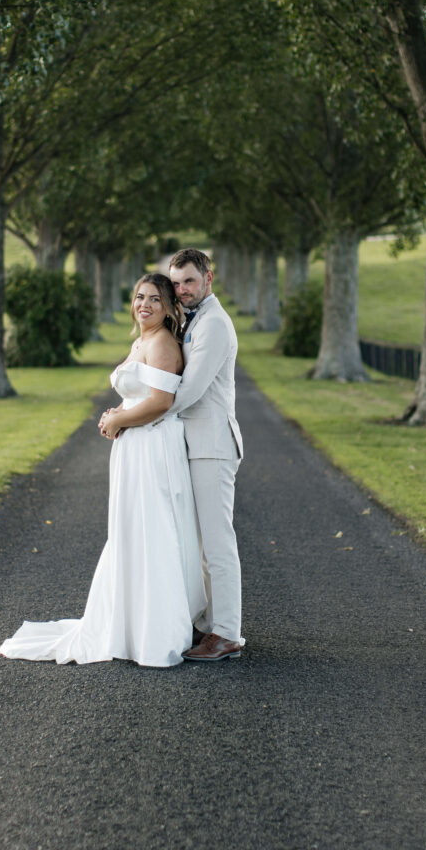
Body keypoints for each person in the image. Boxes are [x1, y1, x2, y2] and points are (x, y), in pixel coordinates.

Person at [0, 273, 206, 668]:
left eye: (154, 300)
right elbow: (139, 394)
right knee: (132, 531)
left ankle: (155, 630)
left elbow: (161, 402)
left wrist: (120, 420)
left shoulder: (162, 342)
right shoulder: (142, 339)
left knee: (151, 530)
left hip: (151, 448)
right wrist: (118, 415)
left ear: (168, 308)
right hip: (135, 447)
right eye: (139, 297)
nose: (144, 305)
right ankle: (130, 623)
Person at [167, 248, 244, 662]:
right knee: (200, 547)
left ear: (208, 278)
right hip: (196, 445)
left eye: (189, 281)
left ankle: (228, 633)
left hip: (213, 447)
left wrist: (138, 415)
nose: (181, 290)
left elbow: (191, 390)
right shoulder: (192, 320)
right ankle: (211, 625)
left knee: (217, 545)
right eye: (176, 283)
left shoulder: (214, 324)